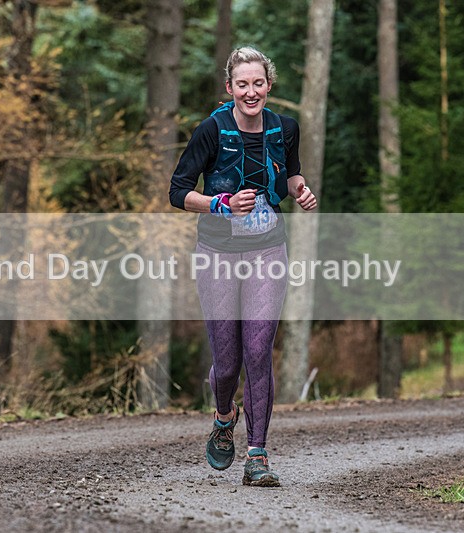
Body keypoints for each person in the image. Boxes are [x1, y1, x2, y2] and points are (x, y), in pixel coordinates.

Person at [169, 47, 317, 487]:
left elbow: (289, 178)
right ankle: (223, 415)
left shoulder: (285, 129)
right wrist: (221, 204)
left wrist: (301, 189)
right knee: (228, 363)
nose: (250, 92)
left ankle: (258, 454)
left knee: (258, 351)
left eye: (258, 83)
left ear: (269, 86)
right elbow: (177, 192)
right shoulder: (211, 131)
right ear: (229, 88)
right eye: (242, 84)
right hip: (216, 253)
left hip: (268, 250)